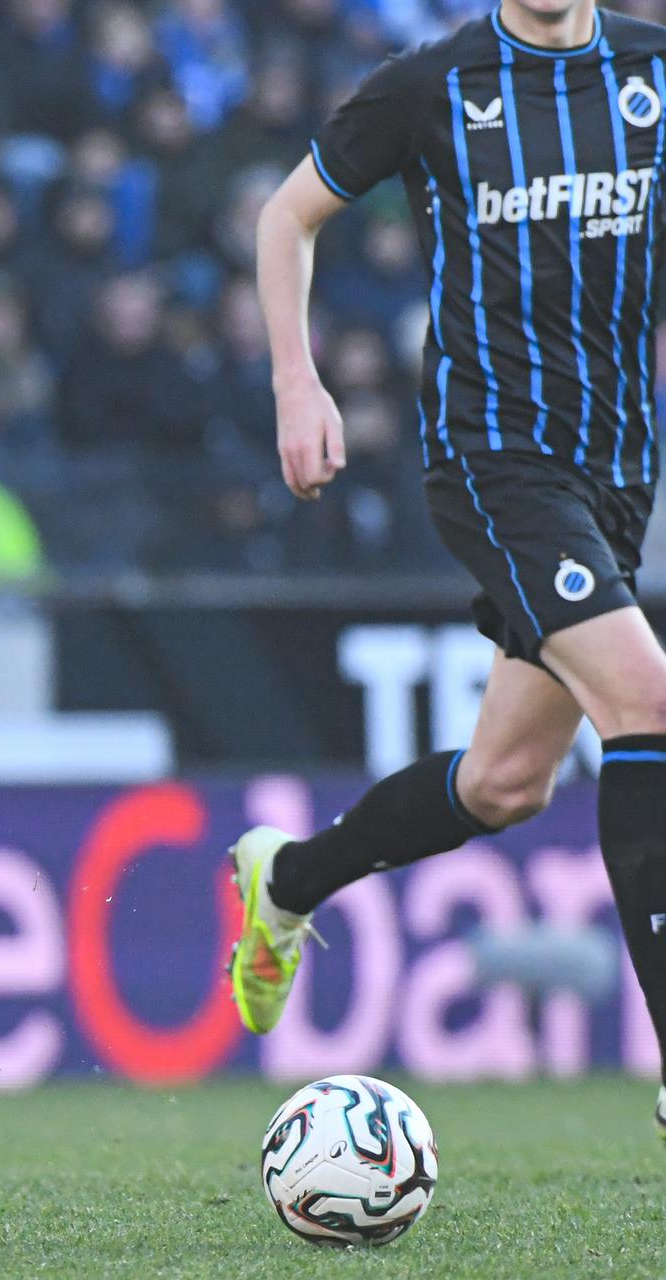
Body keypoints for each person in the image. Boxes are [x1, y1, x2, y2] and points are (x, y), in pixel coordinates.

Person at [238, 0, 666, 1134]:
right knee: (649, 698)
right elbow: (287, 217)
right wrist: (297, 379)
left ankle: (287, 881)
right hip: (498, 463)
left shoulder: (653, 73)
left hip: (621, 471)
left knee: (504, 783)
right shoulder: (434, 83)